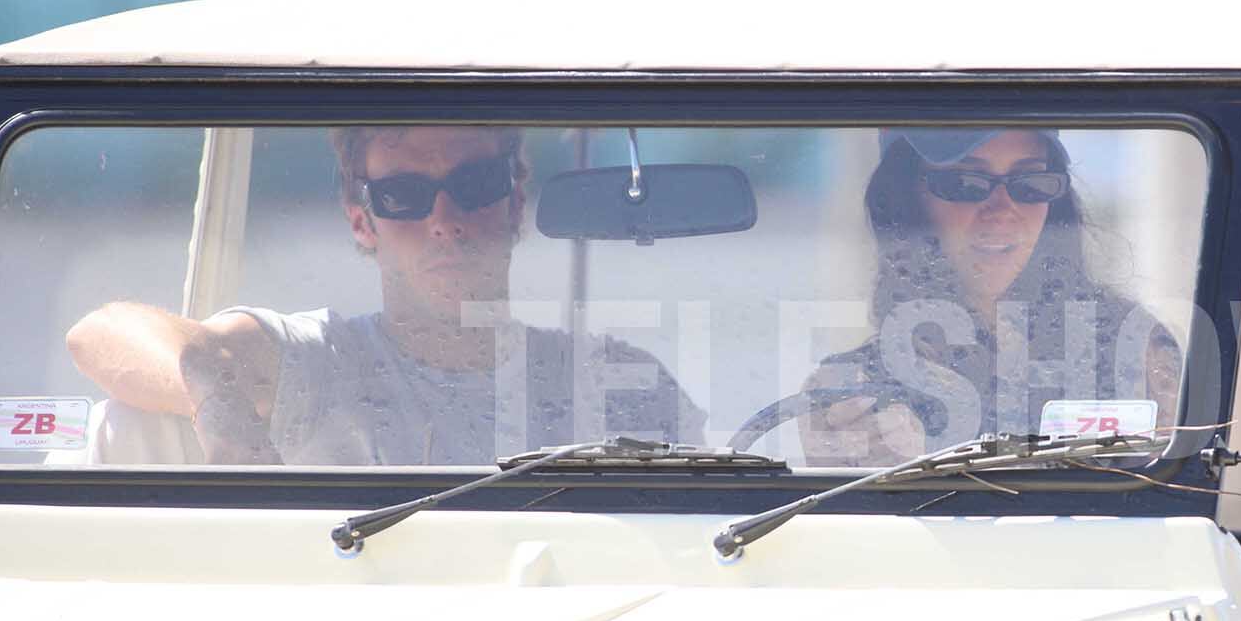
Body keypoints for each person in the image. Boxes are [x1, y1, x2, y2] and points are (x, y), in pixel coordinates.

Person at [65, 125, 703, 465]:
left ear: (514, 200)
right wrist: (218, 404)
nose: (444, 219)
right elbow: (101, 332)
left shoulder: (624, 384)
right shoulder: (317, 361)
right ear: (361, 219)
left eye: (475, 183)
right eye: (404, 195)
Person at [799, 128, 1181, 466]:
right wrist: (871, 480)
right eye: (966, 183)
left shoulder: (1133, 350)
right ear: (906, 203)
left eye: (1030, 183)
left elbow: (1170, 517)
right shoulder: (852, 390)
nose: (1002, 211)